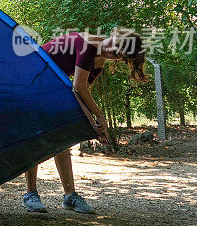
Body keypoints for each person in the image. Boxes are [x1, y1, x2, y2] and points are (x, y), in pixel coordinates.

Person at [23, 29, 147, 214]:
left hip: (53, 88)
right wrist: (100, 117)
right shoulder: (88, 44)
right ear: (114, 36)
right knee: (36, 137)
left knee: (63, 140)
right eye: (115, 45)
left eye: (117, 55)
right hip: (32, 81)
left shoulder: (100, 61)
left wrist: (94, 126)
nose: (110, 51)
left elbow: (79, 96)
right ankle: (30, 194)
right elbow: (78, 86)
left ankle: (70, 196)